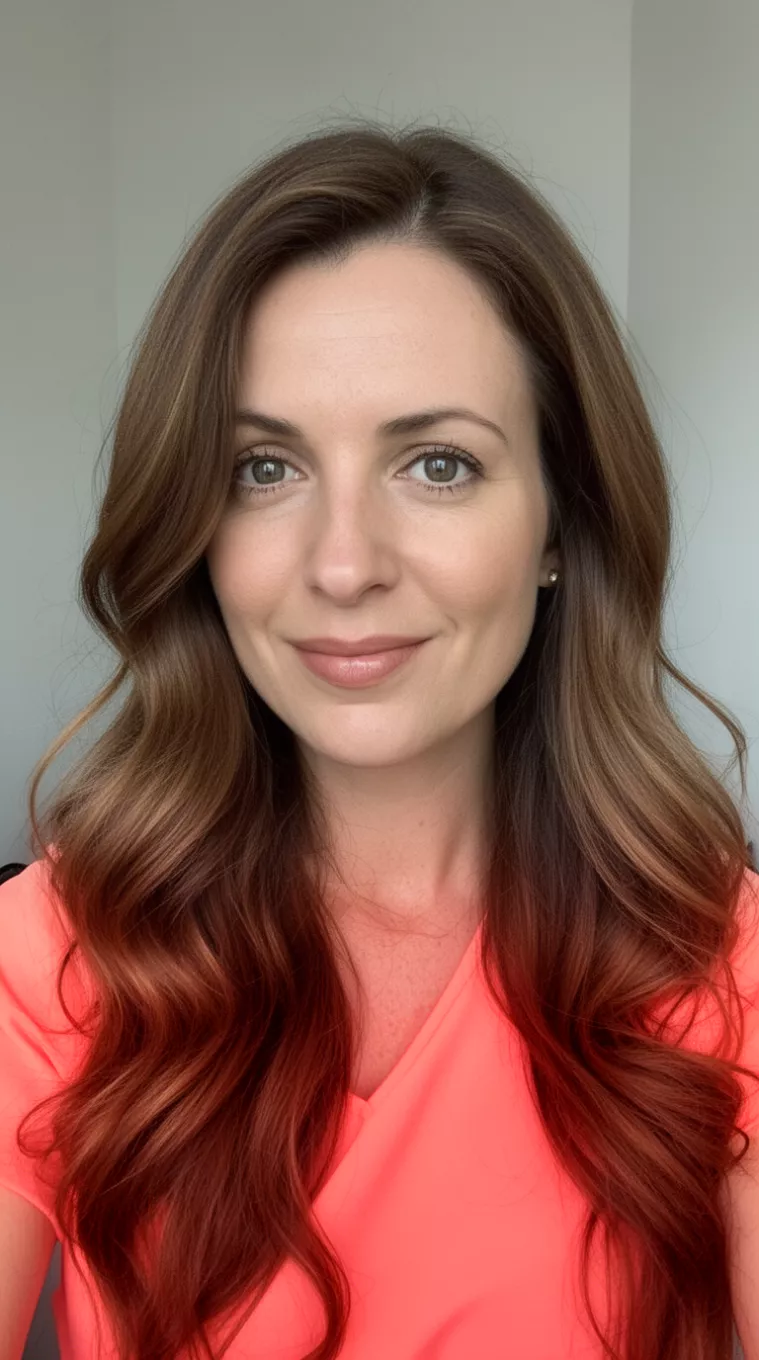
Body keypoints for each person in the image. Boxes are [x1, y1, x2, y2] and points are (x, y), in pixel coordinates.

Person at [1, 118, 757, 1360]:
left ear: (559, 521)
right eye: (263, 469)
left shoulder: (721, 959)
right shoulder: (56, 954)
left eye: (439, 464)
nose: (343, 564)